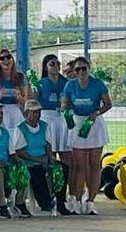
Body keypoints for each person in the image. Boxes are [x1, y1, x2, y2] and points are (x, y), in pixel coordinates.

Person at [61, 56, 111, 215]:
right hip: (77, 124)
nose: (81, 72)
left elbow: (108, 104)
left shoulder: (97, 83)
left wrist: (97, 112)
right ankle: (76, 200)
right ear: (74, 71)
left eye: (84, 68)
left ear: (89, 69)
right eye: (78, 69)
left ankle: (91, 201)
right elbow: (65, 103)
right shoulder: (70, 85)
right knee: (79, 166)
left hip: (94, 124)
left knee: (95, 165)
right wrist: (66, 110)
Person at [10, 99, 52, 216]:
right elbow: (19, 151)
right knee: (36, 171)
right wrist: (38, 160)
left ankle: (60, 201)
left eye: (38, 112)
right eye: (33, 112)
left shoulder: (45, 126)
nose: (36, 114)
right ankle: (43, 203)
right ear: (26, 114)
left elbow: (48, 145)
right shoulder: (20, 128)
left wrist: (50, 158)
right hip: (26, 161)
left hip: (42, 160)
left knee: (62, 169)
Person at [36, 54, 69, 165]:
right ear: (46, 68)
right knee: (50, 155)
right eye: (52, 64)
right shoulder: (40, 84)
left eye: (58, 64)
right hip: (46, 119)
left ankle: (66, 175)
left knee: (66, 155)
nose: (56, 66)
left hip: (63, 119)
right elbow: (35, 102)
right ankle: (52, 175)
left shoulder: (66, 83)